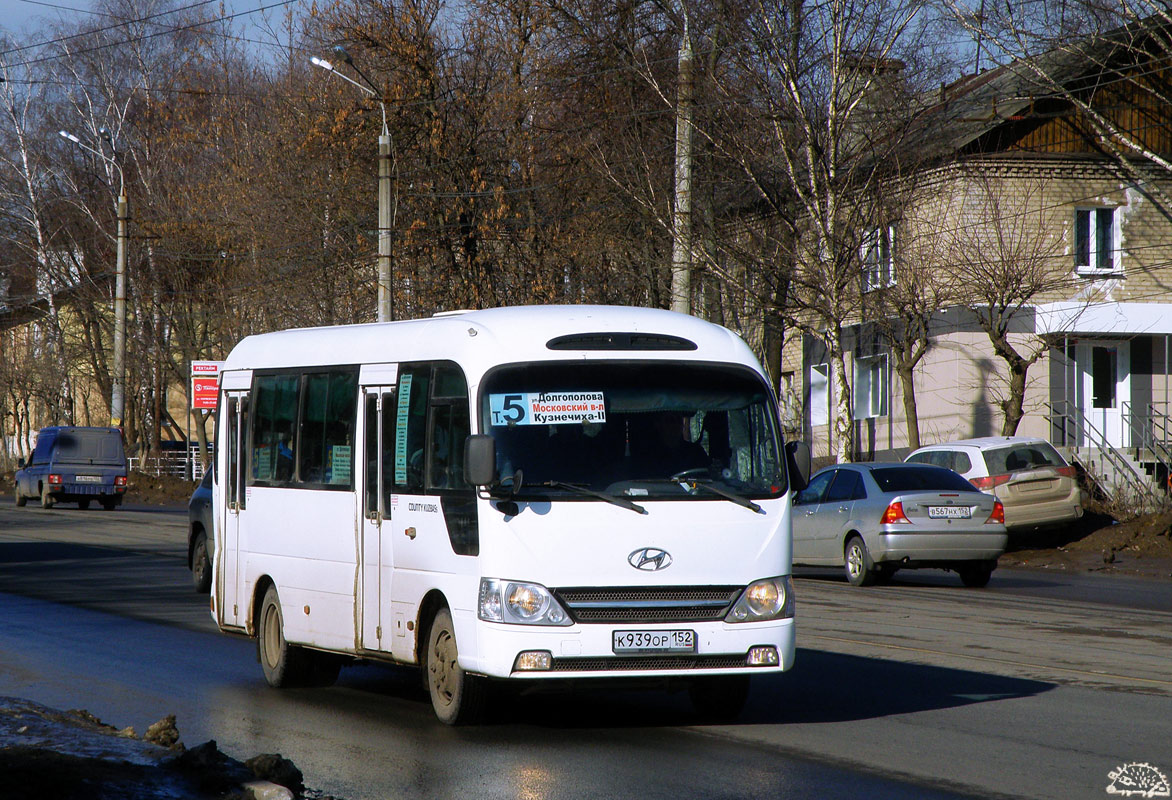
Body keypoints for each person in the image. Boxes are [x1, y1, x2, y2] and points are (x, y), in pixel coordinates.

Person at [631, 411, 710, 478]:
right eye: (670, 420)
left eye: (679, 420)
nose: (676, 425)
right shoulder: (647, 454)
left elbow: (706, 476)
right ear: (658, 424)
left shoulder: (695, 452)